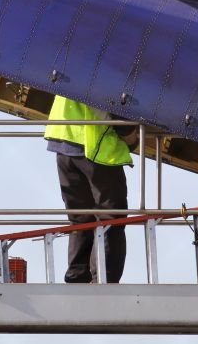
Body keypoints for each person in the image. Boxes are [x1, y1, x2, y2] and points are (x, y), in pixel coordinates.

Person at [45, 96, 137, 283]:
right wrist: (128, 132)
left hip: (64, 142)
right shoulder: (105, 64)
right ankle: (103, 280)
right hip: (95, 144)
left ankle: (77, 277)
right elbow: (107, 92)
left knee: (80, 218)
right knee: (111, 217)